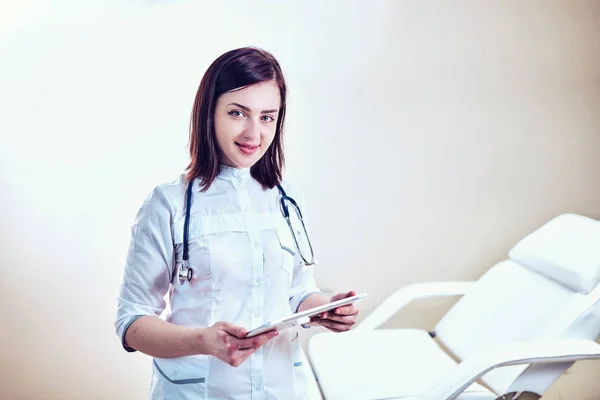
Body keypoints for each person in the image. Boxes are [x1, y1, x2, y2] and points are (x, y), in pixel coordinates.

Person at [114, 46, 360, 400]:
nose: (253, 133)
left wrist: (324, 310)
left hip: (282, 388)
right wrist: (203, 341)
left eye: (266, 117)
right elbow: (131, 323)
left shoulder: (286, 199)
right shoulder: (166, 204)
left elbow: (297, 292)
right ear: (209, 113)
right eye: (237, 113)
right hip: (199, 391)